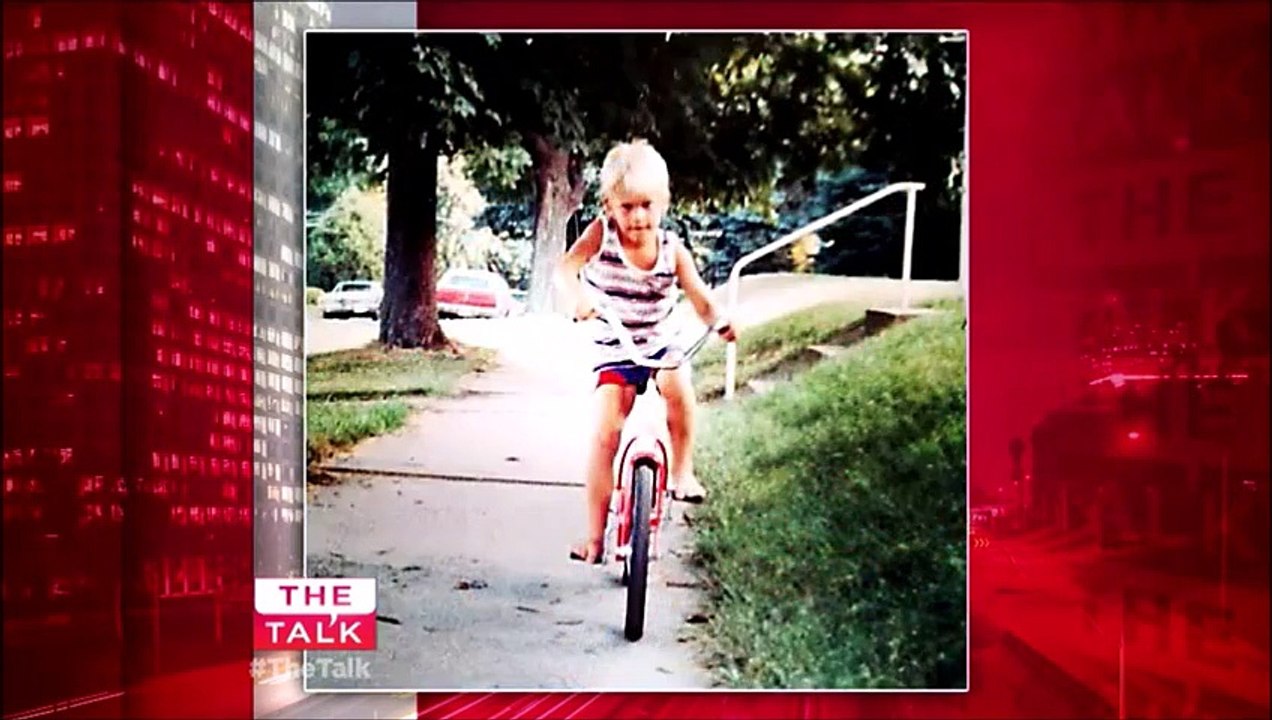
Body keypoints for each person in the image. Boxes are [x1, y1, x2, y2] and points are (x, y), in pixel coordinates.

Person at [554, 139, 737, 564]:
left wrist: (720, 321)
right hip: (615, 342)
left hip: (660, 339)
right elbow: (566, 269)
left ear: (664, 203)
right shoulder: (601, 235)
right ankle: (595, 538)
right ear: (608, 205)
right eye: (627, 207)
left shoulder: (673, 251)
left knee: (678, 387)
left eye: (647, 206)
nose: (637, 217)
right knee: (606, 432)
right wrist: (577, 297)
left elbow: (701, 299)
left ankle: (682, 470)